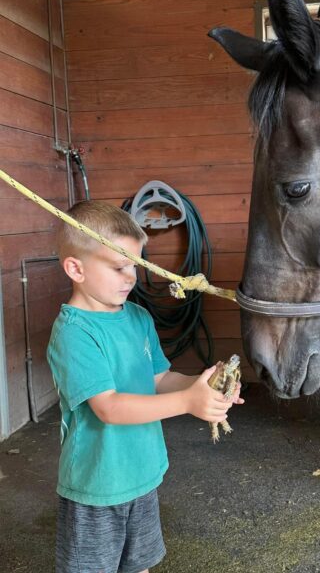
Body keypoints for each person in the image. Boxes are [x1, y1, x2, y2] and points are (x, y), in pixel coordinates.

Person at [47, 200, 244, 573]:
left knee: (139, 565)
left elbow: (159, 379)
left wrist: (203, 384)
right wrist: (188, 402)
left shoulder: (137, 317)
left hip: (142, 473)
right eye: (120, 267)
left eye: (135, 266)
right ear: (75, 268)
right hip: (97, 484)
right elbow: (109, 407)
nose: (131, 277)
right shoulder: (74, 333)